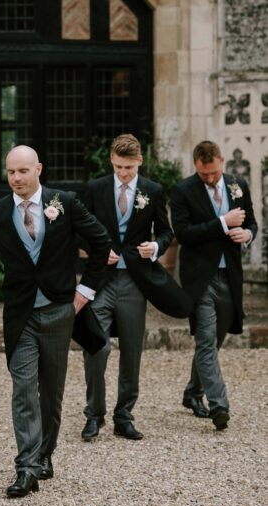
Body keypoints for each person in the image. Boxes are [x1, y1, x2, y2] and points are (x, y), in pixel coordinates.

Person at [0, 145, 110, 497]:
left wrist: (85, 291)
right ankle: (26, 466)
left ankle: (45, 453)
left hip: (60, 310)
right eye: (11, 172)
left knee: (51, 392)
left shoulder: (65, 202)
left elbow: (101, 243)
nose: (16, 178)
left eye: (23, 171)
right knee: (23, 388)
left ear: (38, 169)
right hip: (20, 313)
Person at [80, 134, 191, 443]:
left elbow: (167, 232)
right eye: (117, 167)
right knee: (95, 347)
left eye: (128, 167)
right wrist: (96, 249)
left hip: (135, 282)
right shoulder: (96, 188)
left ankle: (123, 416)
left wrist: (155, 246)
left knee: (131, 350)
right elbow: (77, 230)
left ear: (139, 162)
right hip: (100, 280)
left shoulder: (153, 191)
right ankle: (94, 415)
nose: (123, 173)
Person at [170, 140, 256, 430]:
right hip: (199, 278)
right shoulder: (183, 191)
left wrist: (247, 234)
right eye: (204, 174)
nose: (209, 178)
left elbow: (253, 223)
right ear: (196, 165)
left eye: (214, 173)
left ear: (222, 161)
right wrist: (223, 222)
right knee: (205, 341)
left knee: (215, 341)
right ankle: (219, 406)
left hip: (229, 275)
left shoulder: (238, 184)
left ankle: (192, 391)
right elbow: (183, 233)